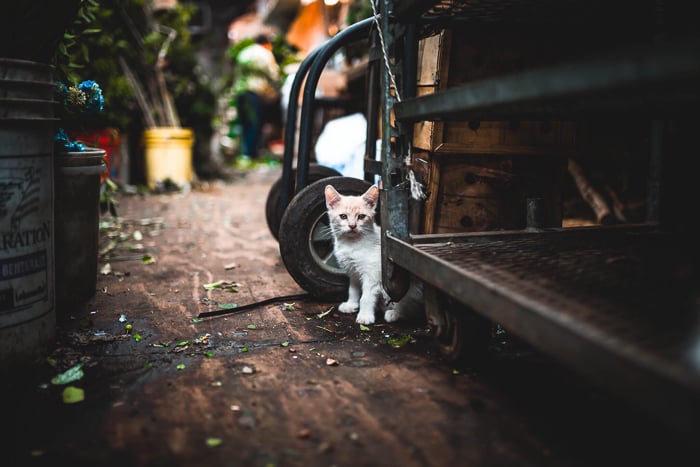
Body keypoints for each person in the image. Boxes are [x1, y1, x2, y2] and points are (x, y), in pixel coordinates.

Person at [232, 34, 281, 160]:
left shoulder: (244, 53)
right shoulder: (265, 54)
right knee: (255, 122)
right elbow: (273, 74)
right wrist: (277, 89)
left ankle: (244, 153)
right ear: (266, 43)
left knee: (244, 122)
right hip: (255, 92)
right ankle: (251, 153)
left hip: (241, 90)